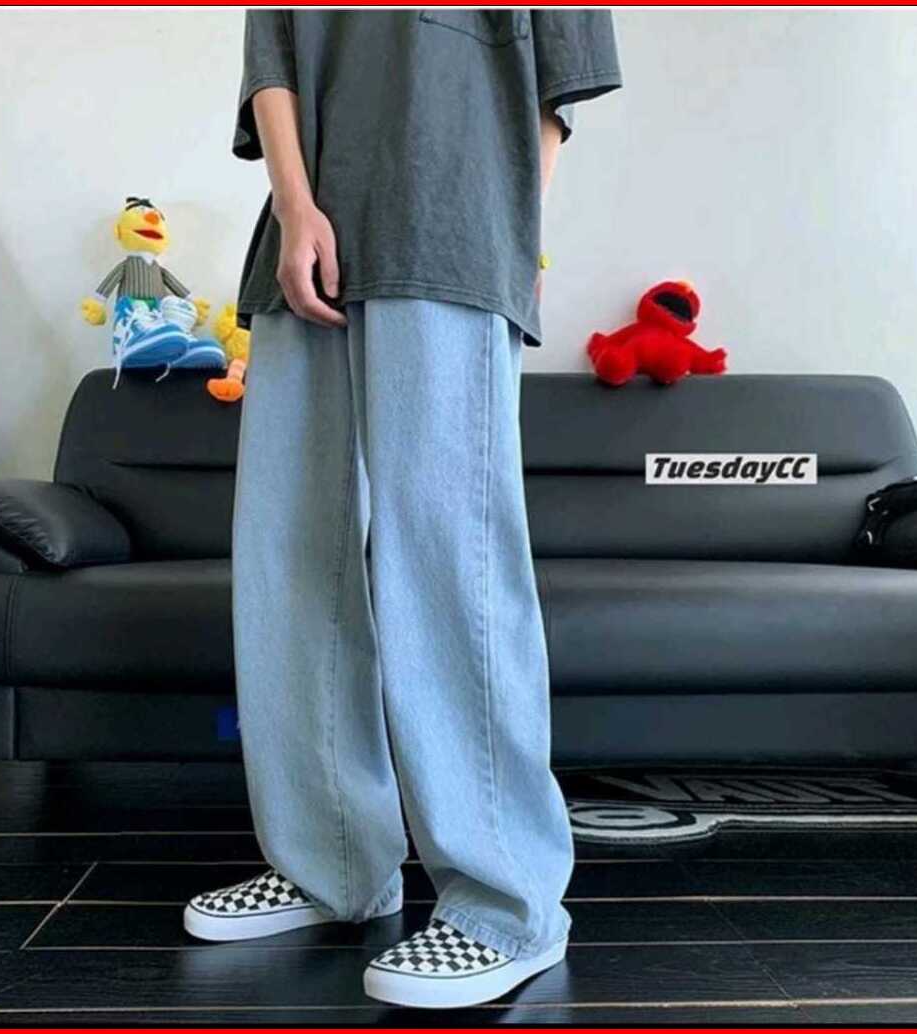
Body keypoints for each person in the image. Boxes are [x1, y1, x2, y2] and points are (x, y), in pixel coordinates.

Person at [184, 9, 621, 1009]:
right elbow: (272, 58)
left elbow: (558, 88)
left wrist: (498, 232)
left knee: (447, 556)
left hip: (451, 228)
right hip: (300, 244)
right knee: (290, 555)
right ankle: (329, 860)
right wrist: (294, 207)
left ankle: (507, 903)